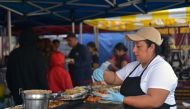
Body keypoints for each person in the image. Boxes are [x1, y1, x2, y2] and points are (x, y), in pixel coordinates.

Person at [93, 27, 178, 109]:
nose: (133, 50)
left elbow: (154, 101)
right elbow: (115, 78)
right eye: (134, 45)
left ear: (151, 47)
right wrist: (101, 73)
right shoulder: (133, 66)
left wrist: (123, 99)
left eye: (138, 46)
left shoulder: (161, 69)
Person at [6, 28, 48, 105]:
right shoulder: (37, 55)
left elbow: (8, 77)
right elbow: (42, 77)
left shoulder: (13, 54)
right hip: (35, 96)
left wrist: (14, 90)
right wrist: (45, 92)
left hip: (18, 94)